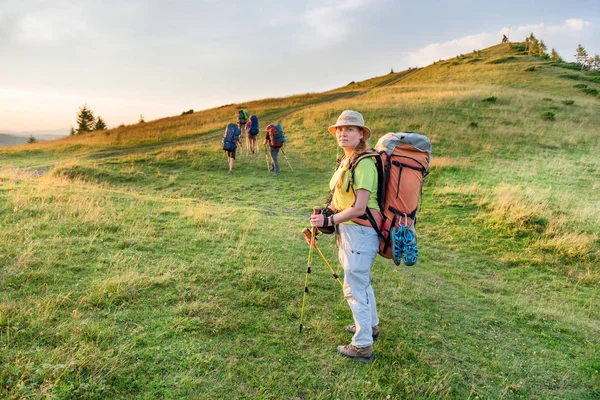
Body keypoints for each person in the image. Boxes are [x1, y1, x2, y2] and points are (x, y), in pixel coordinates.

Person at [309, 110, 380, 363]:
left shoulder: (365, 163)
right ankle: (371, 327)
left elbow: (359, 207)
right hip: (349, 231)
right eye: (339, 129)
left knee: (354, 287)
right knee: (361, 282)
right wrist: (325, 220)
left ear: (361, 134)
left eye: (349, 129)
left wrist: (328, 220)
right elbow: (341, 200)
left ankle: (362, 345)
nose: (343, 133)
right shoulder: (347, 160)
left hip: (360, 232)